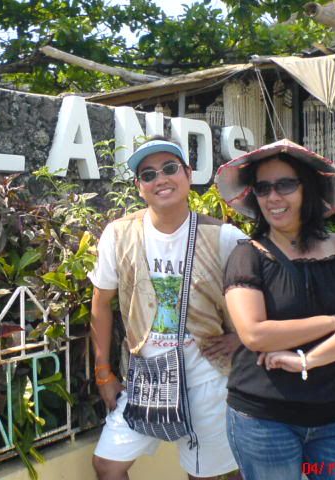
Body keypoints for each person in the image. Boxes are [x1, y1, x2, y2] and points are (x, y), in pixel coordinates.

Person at [214, 139, 335, 480]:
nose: (273, 197)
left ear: (307, 189)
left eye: (285, 184)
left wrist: (307, 360)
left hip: (334, 417)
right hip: (262, 418)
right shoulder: (248, 255)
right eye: (263, 188)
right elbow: (254, 334)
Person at [89, 136, 246, 480]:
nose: (160, 179)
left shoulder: (224, 237)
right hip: (146, 379)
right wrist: (103, 372)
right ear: (139, 187)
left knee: (205, 474)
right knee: (107, 465)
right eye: (148, 174)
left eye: (170, 168)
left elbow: (262, 299)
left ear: (188, 175)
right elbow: (100, 303)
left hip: (209, 377)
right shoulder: (119, 235)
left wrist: (241, 339)